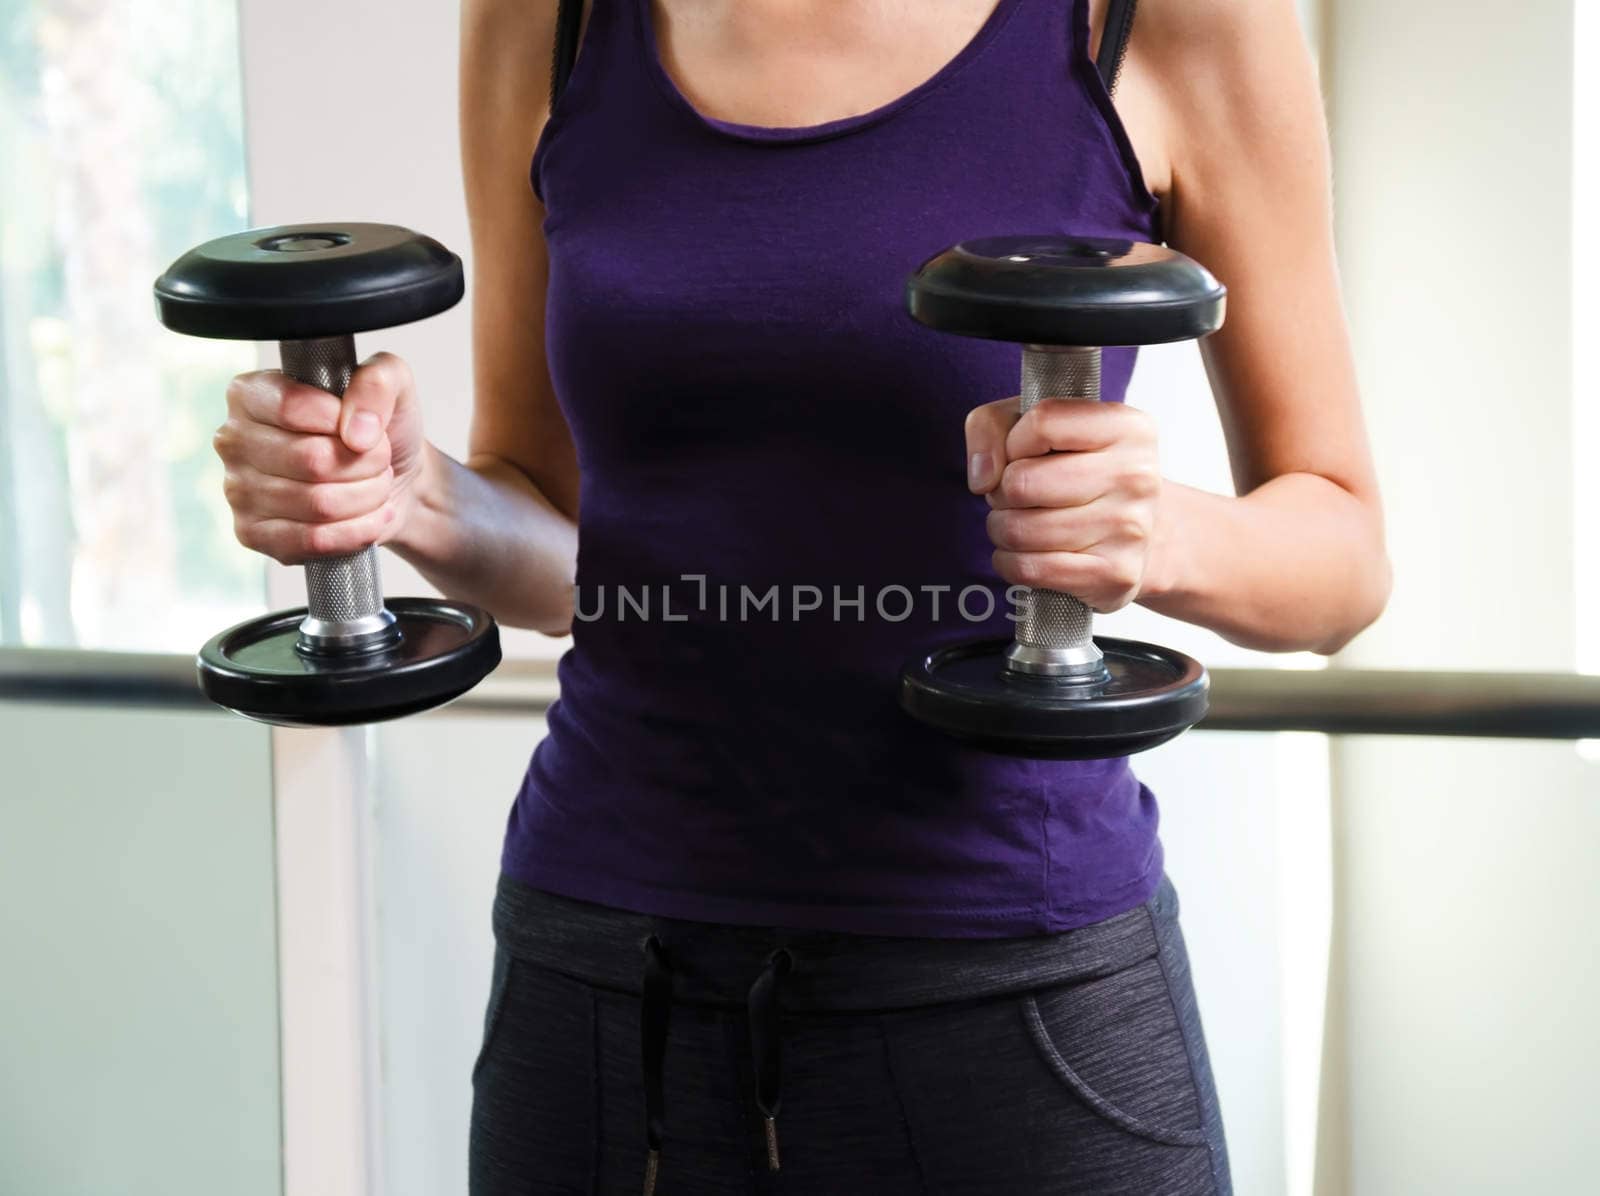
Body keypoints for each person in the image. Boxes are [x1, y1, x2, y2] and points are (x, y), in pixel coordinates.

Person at [214, 0, 1389, 1191]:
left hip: (1012, 985)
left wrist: (1162, 532)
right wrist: (410, 495)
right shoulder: (548, 20)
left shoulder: (1162, 22)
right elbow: (567, 543)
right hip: (609, 973)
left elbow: (1341, 561)